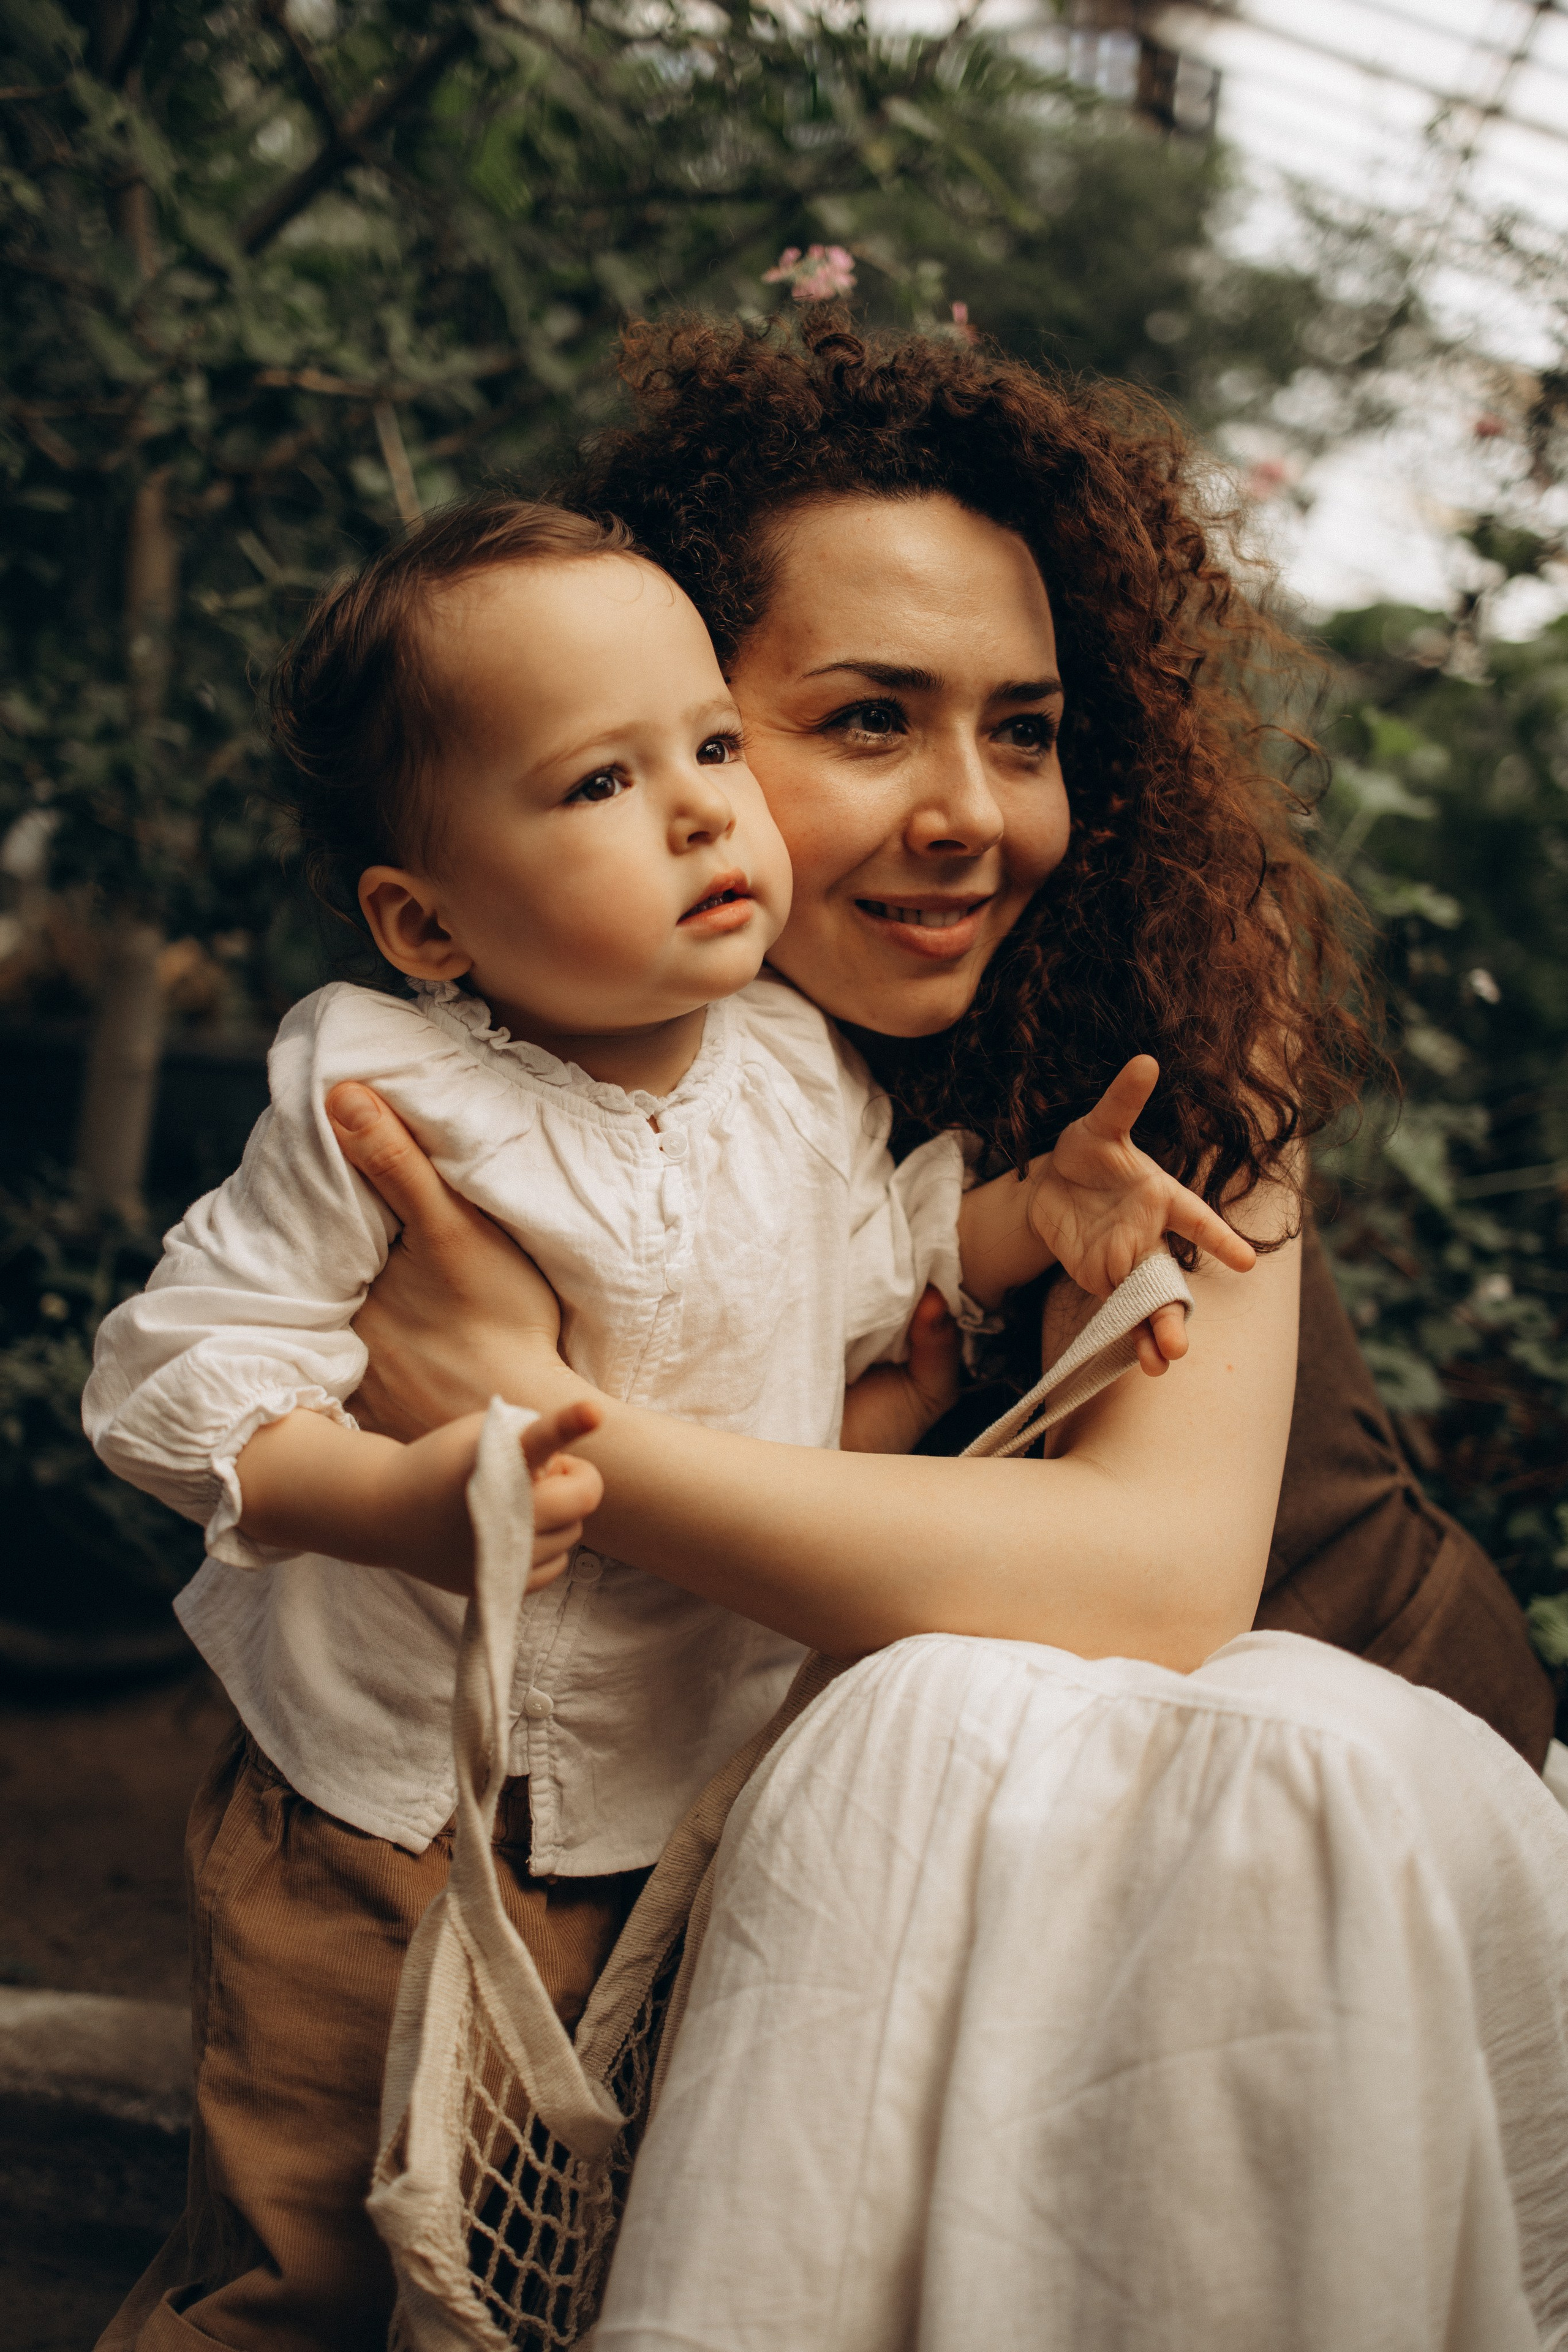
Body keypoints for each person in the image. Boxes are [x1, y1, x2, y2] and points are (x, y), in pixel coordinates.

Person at [322, 315, 1567, 2343]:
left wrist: (558, 1438)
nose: (973, 813)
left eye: (1024, 729)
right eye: (869, 720)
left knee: (941, 1709)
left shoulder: (1169, 1039)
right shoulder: (526, 1076)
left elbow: (1155, 1582)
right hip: (891, 1906)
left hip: (1319, 1788)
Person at [86, 491, 1245, 2352]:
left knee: (555, 2253)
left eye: (710, 745)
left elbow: (878, 1263)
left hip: (676, 1806)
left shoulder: (792, 1064)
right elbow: (181, 1364)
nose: (710, 808)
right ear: (426, 919)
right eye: (600, 784)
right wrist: (389, 1500)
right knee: (299, 2257)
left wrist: (1046, 1217)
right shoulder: (381, 1087)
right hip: (387, 1811)